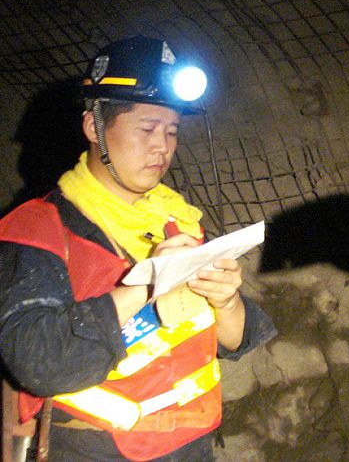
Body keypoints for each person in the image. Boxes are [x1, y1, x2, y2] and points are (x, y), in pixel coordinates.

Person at [0, 36, 277, 461]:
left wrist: (226, 301)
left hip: (191, 446)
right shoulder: (39, 228)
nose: (162, 146)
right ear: (95, 127)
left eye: (171, 131)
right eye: (146, 128)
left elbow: (235, 339)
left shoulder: (175, 220)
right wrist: (147, 286)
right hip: (93, 451)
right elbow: (39, 362)